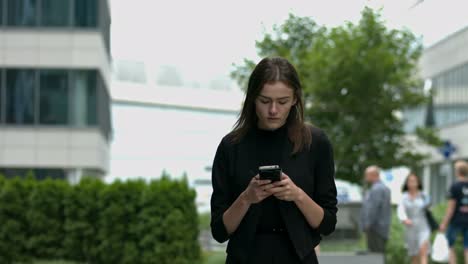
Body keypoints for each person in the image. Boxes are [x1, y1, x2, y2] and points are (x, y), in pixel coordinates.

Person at [210, 57, 338, 264]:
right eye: (265, 100)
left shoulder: (316, 143)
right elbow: (219, 230)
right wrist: (246, 198)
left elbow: (327, 224)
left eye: (282, 101)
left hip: (299, 257)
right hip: (244, 258)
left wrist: (296, 194)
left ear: (295, 99)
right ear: (252, 98)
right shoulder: (231, 146)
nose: (273, 110)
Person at [397, 173, 431, 264]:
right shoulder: (404, 197)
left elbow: (428, 207)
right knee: (414, 254)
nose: (412, 183)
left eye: (414, 181)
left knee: (423, 251)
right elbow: (400, 210)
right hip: (410, 226)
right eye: (410, 181)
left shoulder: (424, 195)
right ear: (407, 183)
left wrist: (427, 204)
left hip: (423, 225)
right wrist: (404, 219)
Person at [439, 160, 468, 264]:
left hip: (456, 220)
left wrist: (444, 223)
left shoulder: (454, 186)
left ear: (457, 171)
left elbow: (451, 208)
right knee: (467, 247)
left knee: (450, 245)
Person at [360, 166, 391, 254]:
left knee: (375, 256)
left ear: (373, 175)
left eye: (366, 175)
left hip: (375, 228)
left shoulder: (377, 189)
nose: (365, 177)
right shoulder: (382, 188)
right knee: (378, 255)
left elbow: (373, 209)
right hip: (381, 228)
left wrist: (367, 224)